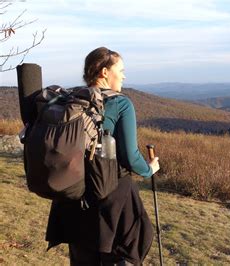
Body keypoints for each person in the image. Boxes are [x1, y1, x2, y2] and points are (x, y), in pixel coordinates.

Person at [45, 47, 160, 265]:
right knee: (118, 255)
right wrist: (149, 169)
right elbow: (129, 156)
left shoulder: (70, 100)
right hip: (111, 195)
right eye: (121, 70)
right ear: (105, 72)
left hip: (72, 193)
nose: (124, 75)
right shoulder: (120, 103)